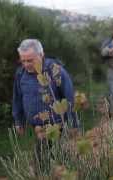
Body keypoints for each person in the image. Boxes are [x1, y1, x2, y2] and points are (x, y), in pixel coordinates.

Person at [12, 39, 78, 171]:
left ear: (41, 55)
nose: (26, 64)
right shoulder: (21, 74)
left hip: (58, 125)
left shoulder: (56, 71)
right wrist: (19, 121)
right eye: (23, 61)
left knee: (50, 160)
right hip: (37, 127)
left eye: (30, 60)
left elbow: (70, 98)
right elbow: (17, 99)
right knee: (46, 159)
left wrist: (73, 124)